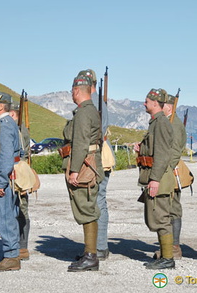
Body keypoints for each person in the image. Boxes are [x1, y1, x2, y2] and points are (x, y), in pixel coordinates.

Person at [62, 75, 103, 272]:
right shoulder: (87, 111)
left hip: (85, 165)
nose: (71, 93)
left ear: (77, 91)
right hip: (87, 162)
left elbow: (80, 143)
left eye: (72, 90)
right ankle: (89, 252)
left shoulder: (84, 113)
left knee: (86, 207)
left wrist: (74, 170)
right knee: (87, 207)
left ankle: (91, 256)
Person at [77, 69, 114, 260]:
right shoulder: (95, 102)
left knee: (98, 199)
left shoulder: (95, 102)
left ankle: (100, 246)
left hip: (99, 153)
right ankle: (95, 246)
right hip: (97, 150)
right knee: (95, 198)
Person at [136, 88, 175, 270]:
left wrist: (155, 179)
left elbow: (162, 154)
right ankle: (164, 256)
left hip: (159, 178)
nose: (144, 103)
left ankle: (168, 258)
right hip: (155, 175)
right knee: (156, 218)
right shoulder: (156, 123)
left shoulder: (161, 124)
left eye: (146, 100)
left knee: (161, 218)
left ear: (154, 102)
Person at [0, 90, 22, 272]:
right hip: (11, 176)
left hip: (5, 177)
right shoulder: (10, 122)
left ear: (1, 106)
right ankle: (13, 252)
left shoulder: (3, 124)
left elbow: (6, 157)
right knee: (10, 214)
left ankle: (11, 256)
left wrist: (0, 182)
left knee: (4, 216)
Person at [153, 94, 186, 260]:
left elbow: (174, 152)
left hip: (170, 172)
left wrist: (166, 171)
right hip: (166, 170)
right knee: (167, 208)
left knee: (173, 208)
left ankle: (174, 248)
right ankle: (169, 247)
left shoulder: (174, 124)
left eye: (164, 104)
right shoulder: (167, 122)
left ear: (169, 107)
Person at [10, 102, 32, 261]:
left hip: (18, 169)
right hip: (18, 168)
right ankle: (18, 245)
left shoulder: (19, 130)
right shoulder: (19, 129)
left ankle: (22, 246)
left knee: (21, 208)